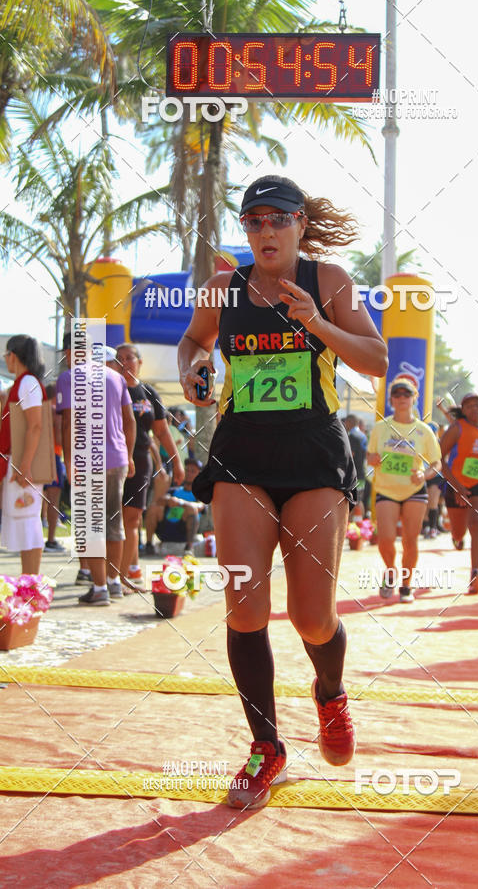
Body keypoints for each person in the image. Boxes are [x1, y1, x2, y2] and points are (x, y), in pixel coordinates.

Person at [177, 174, 388, 809]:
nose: (265, 232)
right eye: (253, 222)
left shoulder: (329, 281)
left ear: (300, 225)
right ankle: (266, 747)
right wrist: (194, 368)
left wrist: (318, 325)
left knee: (311, 615)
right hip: (241, 454)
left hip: (314, 456)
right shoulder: (224, 288)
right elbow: (194, 341)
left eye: (278, 219)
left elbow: (377, 358)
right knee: (243, 606)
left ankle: (330, 694)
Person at [59, 338, 136, 604]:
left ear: (72, 352)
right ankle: (114, 582)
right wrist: (128, 453)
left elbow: (69, 423)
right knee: (115, 524)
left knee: (91, 526)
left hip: (88, 460)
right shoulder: (116, 377)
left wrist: (70, 462)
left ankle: (100, 587)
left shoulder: (70, 377)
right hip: (116, 458)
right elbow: (130, 420)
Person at [114, 344, 185, 589]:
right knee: (111, 519)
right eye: (119, 359)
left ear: (140, 362)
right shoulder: (110, 389)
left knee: (133, 519)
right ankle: (105, 578)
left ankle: (122, 578)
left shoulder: (148, 393)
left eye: (129, 358)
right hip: (113, 460)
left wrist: (176, 462)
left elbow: (162, 431)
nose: (125, 363)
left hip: (140, 460)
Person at [367, 377, 441, 602]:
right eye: (397, 394)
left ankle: (406, 586)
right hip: (386, 490)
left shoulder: (424, 431)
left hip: (414, 490)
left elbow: (437, 463)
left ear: (414, 398)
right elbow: (370, 456)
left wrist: (424, 474)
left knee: (410, 541)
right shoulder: (381, 427)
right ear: (391, 400)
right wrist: (373, 459)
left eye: (406, 394)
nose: (401, 398)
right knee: (386, 539)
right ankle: (391, 570)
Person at [0, 335, 46, 574]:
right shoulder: (20, 384)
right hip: (16, 461)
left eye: (6, 355)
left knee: (29, 523)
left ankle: (31, 588)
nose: (5, 360)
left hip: (24, 463)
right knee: (22, 522)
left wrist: (25, 466)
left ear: (13, 356)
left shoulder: (28, 383)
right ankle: (27, 584)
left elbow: (35, 425)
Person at [440, 392, 478, 594]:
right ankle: (457, 537)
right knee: (459, 531)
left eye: (477, 404)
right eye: (468, 406)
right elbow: (439, 459)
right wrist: (457, 488)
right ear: (463, 410)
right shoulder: (457, 429)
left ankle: (475, 572)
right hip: (456, 484)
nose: (473, 408)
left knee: (476, 523)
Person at [144, 458, 205, 550]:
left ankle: (189, 547)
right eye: (187, 470)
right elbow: (160, 500)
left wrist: (180, 503)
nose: (189, 473)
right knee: (154, 507)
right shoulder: (174, 490)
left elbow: (201, 506)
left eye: (193, 471)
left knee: (192, 509)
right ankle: (148, 545)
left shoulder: (200, 493)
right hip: (166, 528)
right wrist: (169, 500)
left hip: (183, 530)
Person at [42, 383, 67, 553]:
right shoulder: (55, 411)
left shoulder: (40, 409)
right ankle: (51, 540)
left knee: (39, 500)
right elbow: (59, 438)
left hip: (38, 457)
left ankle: (35, 539)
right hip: (53, 457)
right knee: (53, 500)